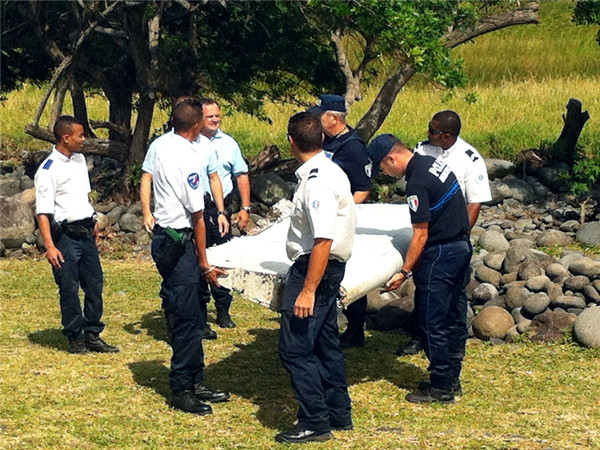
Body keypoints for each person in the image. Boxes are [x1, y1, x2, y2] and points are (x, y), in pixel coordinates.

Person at [276, 112, 356, 444]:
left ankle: (314, 420)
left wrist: (308, 289)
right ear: (322, 138)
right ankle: (338, 411)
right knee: (324, 342)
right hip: (326, 267)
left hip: (315, 268)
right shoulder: (331, 170)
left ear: (291, 142)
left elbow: (323, 239)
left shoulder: (317, 181)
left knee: (295, 349)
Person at [374, 135, 471, 404]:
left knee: (431, 320)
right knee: (453, 315)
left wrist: (404, 271)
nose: (385, 174)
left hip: (440, 254)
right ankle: (451, 376)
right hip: (461, 246)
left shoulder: (416, 182)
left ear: (391, 158)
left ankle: (442, 386)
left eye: (383, 168)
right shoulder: (431, 163)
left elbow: (420, 234)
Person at [149, 98, 230, 414]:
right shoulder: (187, 156)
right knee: (185, 316)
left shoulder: (162, 146)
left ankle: (196, 379)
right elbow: (197, 215)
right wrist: (204, 262)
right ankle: (182, 386)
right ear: (196, 125)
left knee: (195, 312)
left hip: (167, 236)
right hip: (178, 241)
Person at [396, 110, 491, 357]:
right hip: (426, 230)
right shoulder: (423, 150)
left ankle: (456, 341)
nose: (427, 133)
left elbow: (475, 203)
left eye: (432, 130)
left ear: (446, 135)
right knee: (424, 286)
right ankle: (419, 335)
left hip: (451, 235)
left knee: (455, 291)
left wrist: (458, 234)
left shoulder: (469, 159)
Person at [140, 97, 230, 339]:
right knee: (181, 283)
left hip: (197, 213)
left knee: (190, 279)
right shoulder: (165, 147)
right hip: (179, 225)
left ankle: (198, 321)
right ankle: (181, 328)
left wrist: (221, 212)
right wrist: (147, 211)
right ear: (195, 123)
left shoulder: (202, 145)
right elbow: (147, 178)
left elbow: (213, 177)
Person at [34, 115, 119, 354]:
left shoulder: (80, 160)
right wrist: (50, 246)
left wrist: (92, 217)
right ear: (65, 138)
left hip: (86, 233)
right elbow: (43, 212)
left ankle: (92, 333)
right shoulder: (48, 170)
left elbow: (83, 194)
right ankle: (75, 336)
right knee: (69, 288)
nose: (84, 139)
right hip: (66, 236)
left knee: (94, 284)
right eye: (80, 135)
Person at [308, 94, 371, 349]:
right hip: (324, 214)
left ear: (334, 119)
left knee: (348, 272)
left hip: (342, 220)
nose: (315, 120)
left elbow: (363, 189)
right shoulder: (326, 141)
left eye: (319, 116)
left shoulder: (353, 147)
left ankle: (355, 328)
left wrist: (343, 213)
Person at [197, 98, 253, 330]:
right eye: (209, 116)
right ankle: (199, 312)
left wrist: (245, 208)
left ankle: (223, 310)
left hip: (222, 211)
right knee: (198, 260)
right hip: (198, 211)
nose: (214, 120)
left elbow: (241, 175)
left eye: (217, 116)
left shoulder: (229, 143)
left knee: (222, 258)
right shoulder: (191, 143)